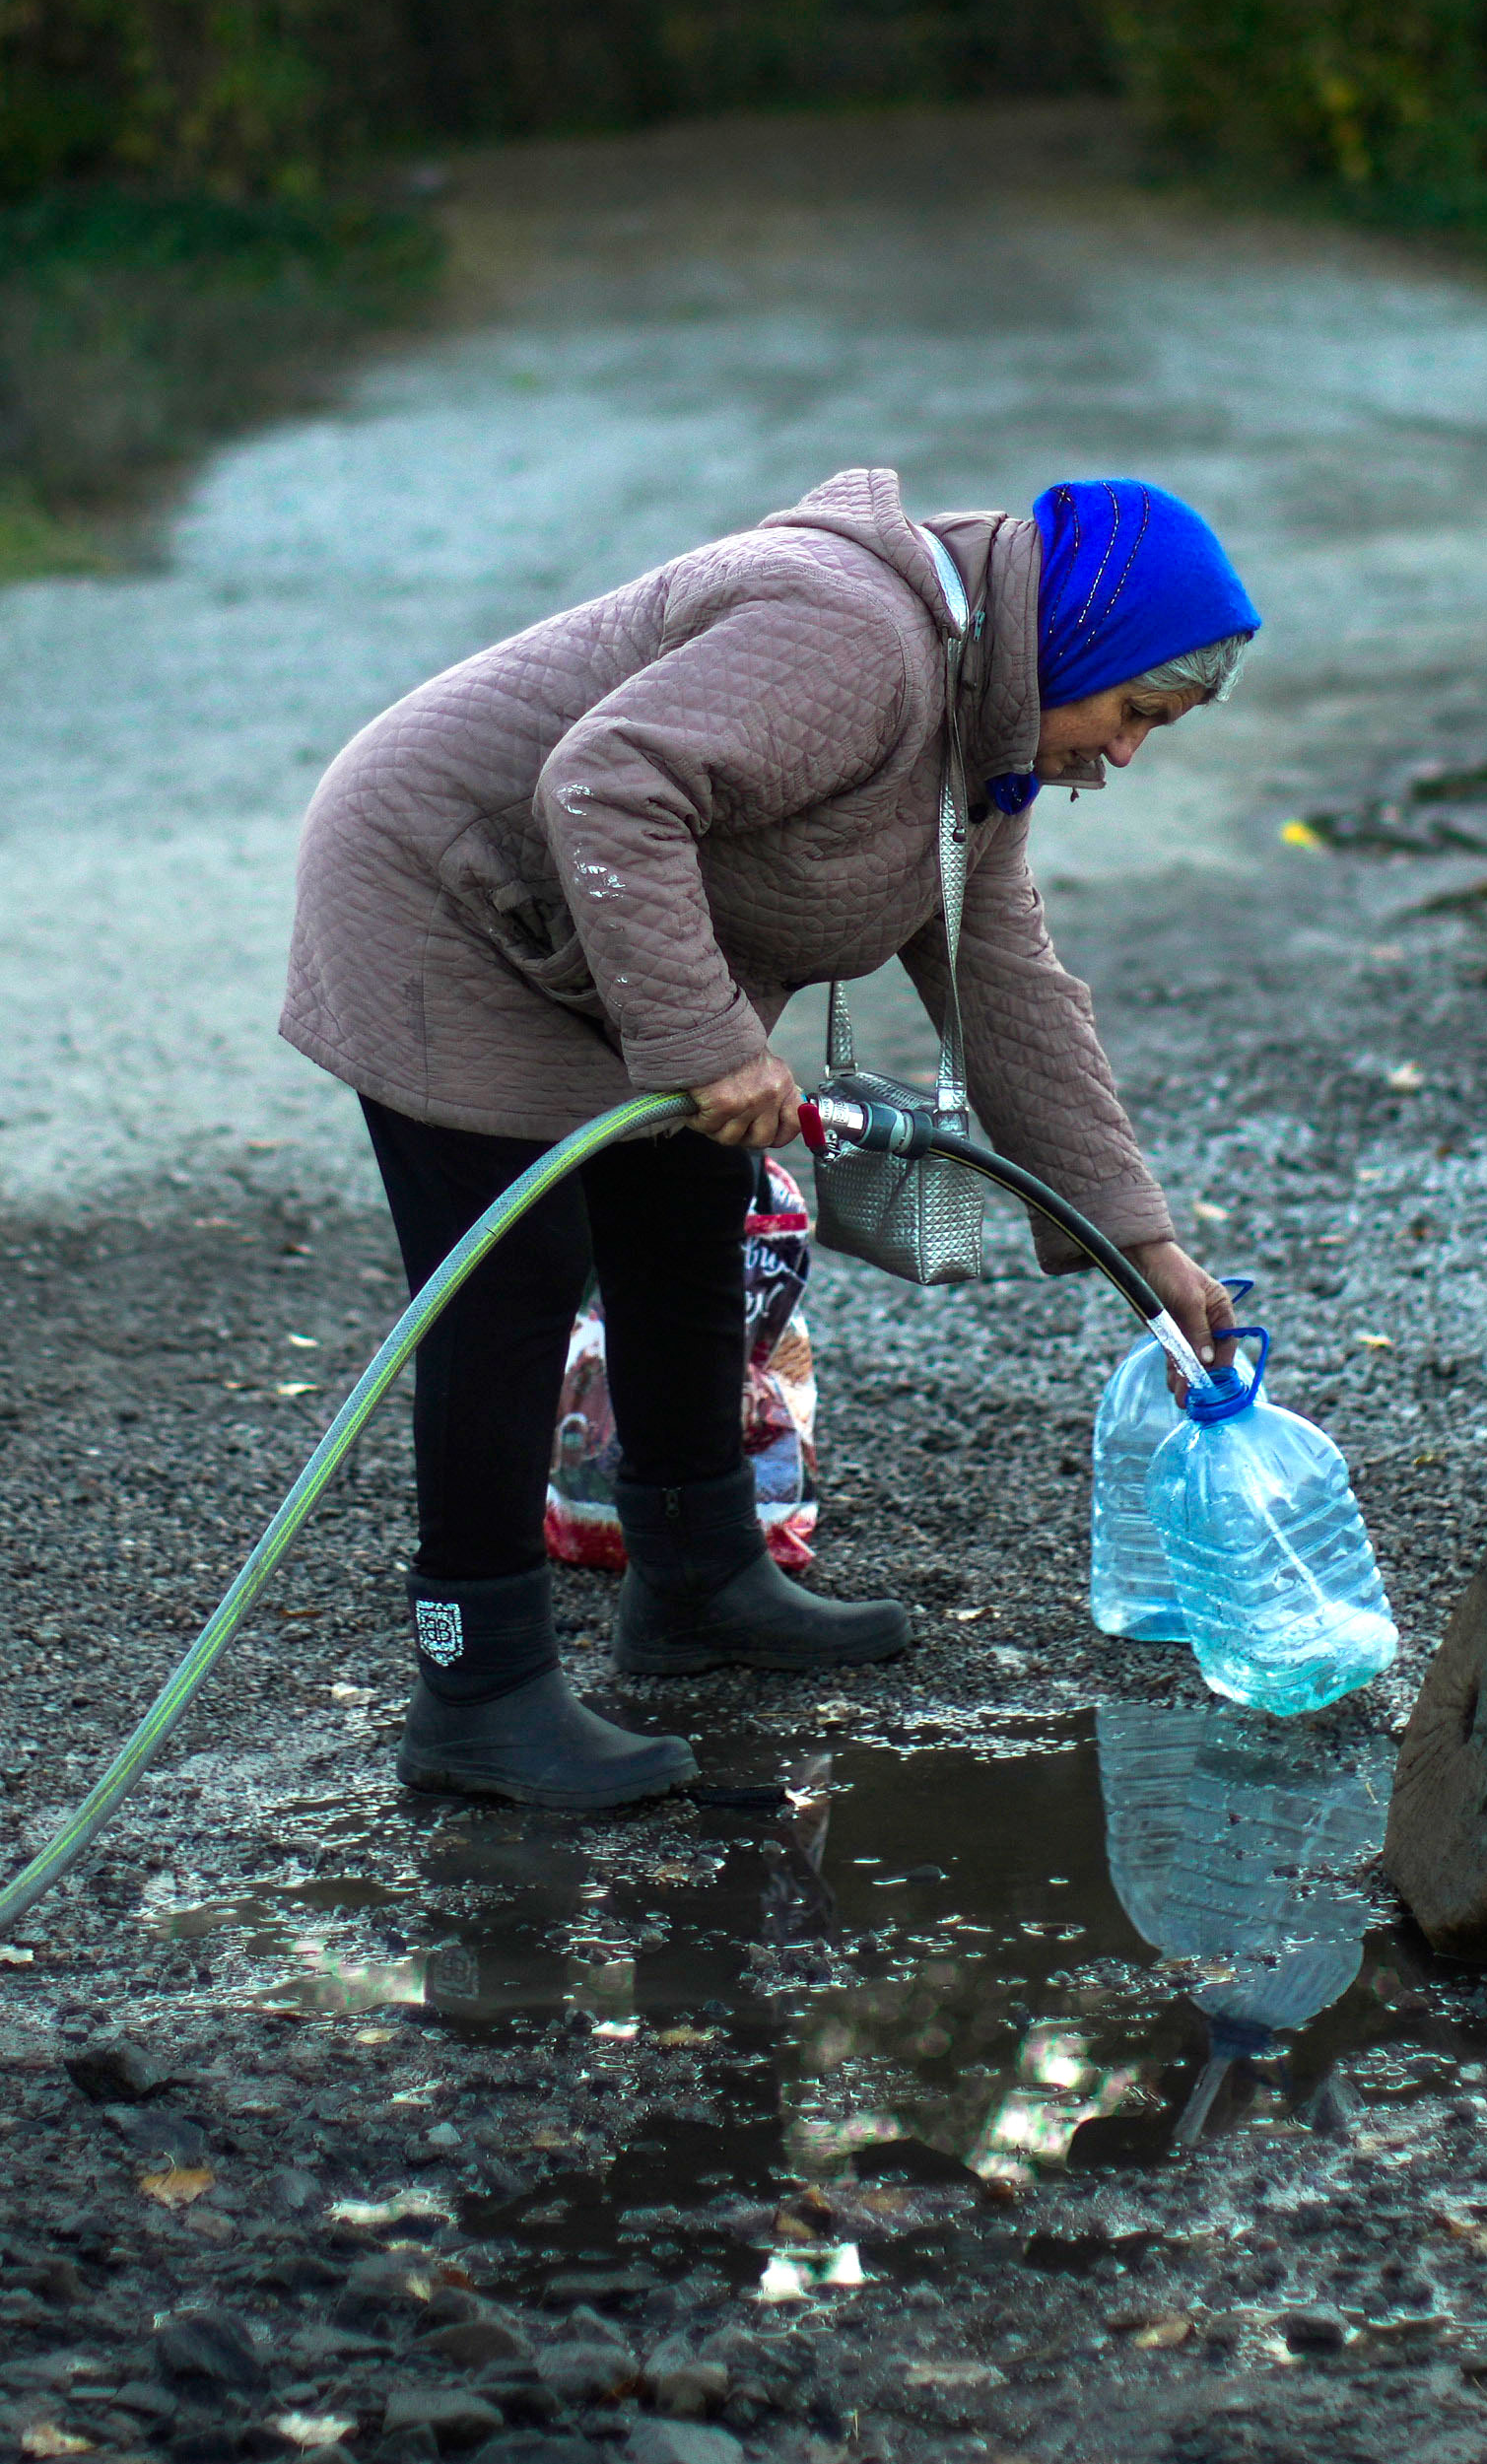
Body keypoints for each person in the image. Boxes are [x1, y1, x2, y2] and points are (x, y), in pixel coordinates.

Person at [281, 467, 1258, 1807]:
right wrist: (704, 1041)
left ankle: (698, 1583)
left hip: (599, 934)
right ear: (1076, 644)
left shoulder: (985, 728)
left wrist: (1137, 1242)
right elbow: (608, 784)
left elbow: (1005, 978)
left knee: (688, 1212)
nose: (1130, 752)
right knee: (508, 1285)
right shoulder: (853, 634)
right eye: (1135, 710)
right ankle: (478, 1688)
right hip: (448, 902)